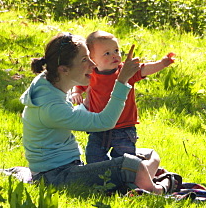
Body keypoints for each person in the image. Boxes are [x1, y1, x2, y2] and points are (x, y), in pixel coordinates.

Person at [20, 32, 176, 195]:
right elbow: (104, 122)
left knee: (150, 155)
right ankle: (158, 189)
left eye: (89, 57)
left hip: (64, 169)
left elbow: (70, 115)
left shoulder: (49, 82)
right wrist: (121, 81)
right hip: (57, 177)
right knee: (130, 164)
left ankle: (137, 181)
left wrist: (84, 105)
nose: (93, 64)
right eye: (84, 60)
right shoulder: (50, 107)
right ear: (64, 69)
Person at [71, 30, 176, 166]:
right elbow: (79, 84)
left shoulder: (125, 71)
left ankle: (124, 178)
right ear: (92, 59)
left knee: (125, 159)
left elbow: (144, 69)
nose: (114, 55)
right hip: (99, 125)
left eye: (116, 50)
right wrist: (76, 93)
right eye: (107, 53)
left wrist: (162, 63)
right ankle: (101, 179)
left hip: (124, 127)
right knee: (94, 155)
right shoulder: (91, 74)